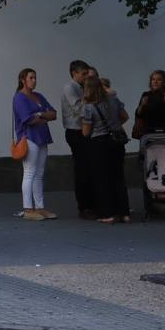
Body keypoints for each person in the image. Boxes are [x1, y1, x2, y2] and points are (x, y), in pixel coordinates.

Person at [82, 74, 132, 223]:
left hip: (99, 144)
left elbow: (85, 132)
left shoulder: (88, 107)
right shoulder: (114, 100)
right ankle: (124, 213)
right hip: (116, 142)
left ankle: (107, 214)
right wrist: (114, 125)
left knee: (102, 179)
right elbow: (125, 116)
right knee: (118, 177)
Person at [13, 68, 57, 221]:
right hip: (29, 137)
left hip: (42, 136)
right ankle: (27, 208)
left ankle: (39, 207)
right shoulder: (19, 97)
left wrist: (39, 114)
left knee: (39, 173)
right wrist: (43, 116)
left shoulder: (38, 96)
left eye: (35, 78)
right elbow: (28, 119)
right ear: (23, 80)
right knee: (30, 172)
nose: (34, 80)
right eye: (31, 78)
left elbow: (54, 113)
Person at [61, 60, 95, 219]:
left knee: (88, 168)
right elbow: (78, 107)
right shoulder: (70, 88)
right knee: (82, 169)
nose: (86, 77)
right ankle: (84, 206)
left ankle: (90, 202)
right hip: (76, 131)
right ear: (74, 73)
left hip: (84, 130)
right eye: (83, 74)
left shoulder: (81, 88)